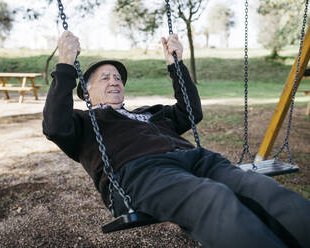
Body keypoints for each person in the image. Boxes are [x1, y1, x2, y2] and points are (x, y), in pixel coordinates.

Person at [42, 30, 310, 248]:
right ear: (86, 93)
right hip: (143, 173)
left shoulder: (150, 113)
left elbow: (191, 112)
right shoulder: (84, 122)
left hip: (198, 160)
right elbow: (55, 126)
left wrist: (176, 65)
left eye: (118, 78)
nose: (114, 81)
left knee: (265, 191)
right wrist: (66, 65)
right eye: (105, 78)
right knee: (214, 199)